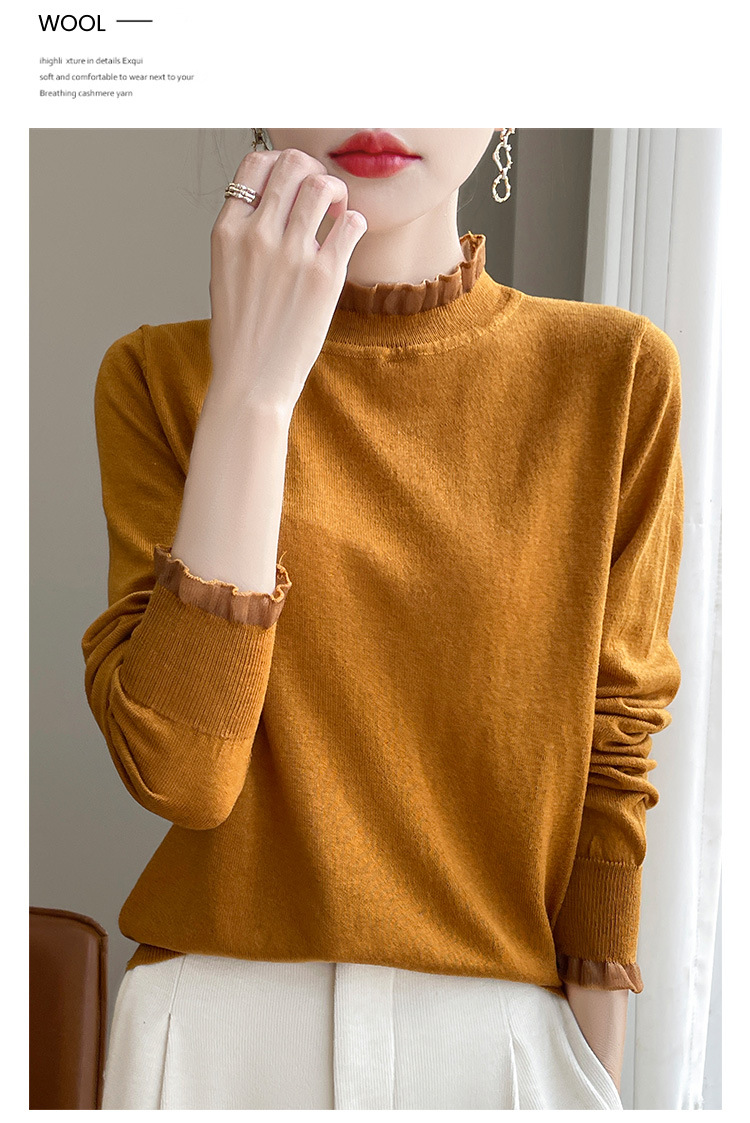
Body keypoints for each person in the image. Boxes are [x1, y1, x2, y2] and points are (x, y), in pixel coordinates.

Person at [81, 128, 684, 1110]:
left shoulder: (614, 374)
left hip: (504, 1043)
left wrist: (593, 1073)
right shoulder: (157, 378)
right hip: (214, 1043)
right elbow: (183, 772)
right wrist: (251, 394)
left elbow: (612, 748)